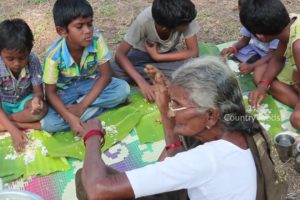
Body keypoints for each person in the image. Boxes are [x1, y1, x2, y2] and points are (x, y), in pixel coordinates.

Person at [75, 57, 287, 200]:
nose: (171, 111)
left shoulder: (206, 159)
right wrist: (165, 111)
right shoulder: (241, 125)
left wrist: (92, 136)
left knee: (88, 178)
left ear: (211, 115)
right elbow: (172, 160)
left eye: (177, 105)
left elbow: (98, 190)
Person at [41, 0, 130, 135]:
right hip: (66, 93)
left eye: (90, 24)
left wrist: (82, 106)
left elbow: (106, 76)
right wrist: (69, 117)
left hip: (91, 83)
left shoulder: (96, 39)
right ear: (62, 31)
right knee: (49, 123)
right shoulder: (53, 55)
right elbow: (50, 93)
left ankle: (80, 112)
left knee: (123, 89)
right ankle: (86, 112)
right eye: (79, 26)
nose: (87, 31)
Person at [110, 0, 200, 102]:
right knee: (112, 69)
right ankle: (154, 77)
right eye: (185, 25)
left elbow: (193, 52)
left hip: (168, 57)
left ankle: (155, 76)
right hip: (141, 57)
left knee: (195, 68)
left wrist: (157, 56)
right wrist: (142, 83)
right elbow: (120, 54)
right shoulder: (143, 21)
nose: (188, 25)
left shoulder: (185, 15)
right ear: (165, 28)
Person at [240, 0, 300, 130]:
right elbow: (278, 59)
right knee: (260, 73)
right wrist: (262, 86)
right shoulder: (289, 24)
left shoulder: (298, 45)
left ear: (260, 36)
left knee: (296, 119)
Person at [0, 19, 48, 152]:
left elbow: (38, 92)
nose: (16, 63)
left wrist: (37, 100)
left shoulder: (32, 61)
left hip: (24, 103)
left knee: (42, 110)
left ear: (29, 51)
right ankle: (15, 124)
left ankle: (7, 123)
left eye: (22, 58)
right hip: (3, 105)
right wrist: (14, 131)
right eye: (10, 59)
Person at [220, 0, 279, 76]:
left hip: (270, 55)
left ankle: (254, 64)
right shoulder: (249, 21)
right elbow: (244, 41)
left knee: (263, 71)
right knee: (239, 53)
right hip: (254, 49)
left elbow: (272, 55)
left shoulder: (271, 26)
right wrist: (232, 48)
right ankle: (253, 62)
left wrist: (252, 66)